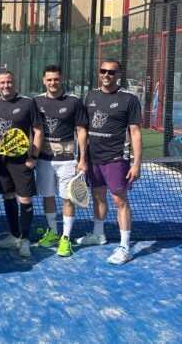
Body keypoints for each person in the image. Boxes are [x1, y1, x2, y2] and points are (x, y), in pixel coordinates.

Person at [77, 58, 142, 265]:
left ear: (119, 74)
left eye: (111, 72)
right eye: (103, 71)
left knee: (119, 201)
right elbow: (84, 129)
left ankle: (124, 247)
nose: (106, 75)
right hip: (93, 158)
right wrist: (82, 158)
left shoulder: (129, 99)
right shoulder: (91, 96)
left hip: (116, 158)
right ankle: (98, 234)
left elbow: (135, 132)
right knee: (98, 197)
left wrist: (137, 164)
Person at [0, 70, 43, 258]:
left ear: (15, 83)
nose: (5, 85)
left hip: (22, 161)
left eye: (9, 82)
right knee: (8, 196)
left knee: (25, 199)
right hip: (2, 162)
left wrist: (33, 157)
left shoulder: (27, 103)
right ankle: (15, 235)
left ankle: (25, 240)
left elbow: (38, 131)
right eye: (2, 83)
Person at [33, 65, 88, 257]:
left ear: (62, 79)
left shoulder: (73, 101)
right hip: (44, 160)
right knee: (47, 196)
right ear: (43, 81)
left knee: (67, 198)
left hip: (67, 160)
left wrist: (82, 158)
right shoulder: (36, 101)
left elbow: (81, 131)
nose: (52, 82)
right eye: (49, 79)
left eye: (56, 79)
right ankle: (53, 233)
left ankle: (65, 238)